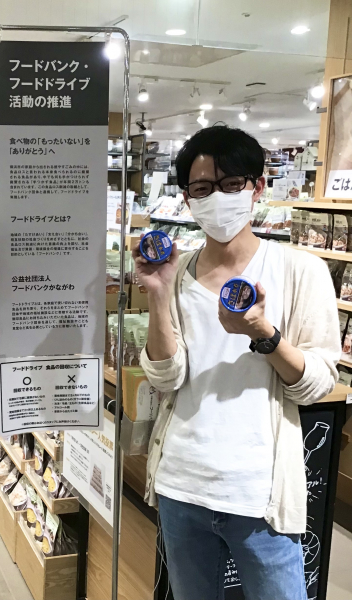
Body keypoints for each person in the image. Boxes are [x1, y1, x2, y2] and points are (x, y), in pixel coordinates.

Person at [134, 125, 340, 600]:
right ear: (187, 199)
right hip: (181, 485)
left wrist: (263, 334)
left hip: (260, 494)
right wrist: (159, 295)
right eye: (202, 188)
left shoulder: (300, 271)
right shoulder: (176, 274)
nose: (217, 199)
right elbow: (166, 378)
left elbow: (317, 384)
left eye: (231, 185)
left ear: (257, 187)